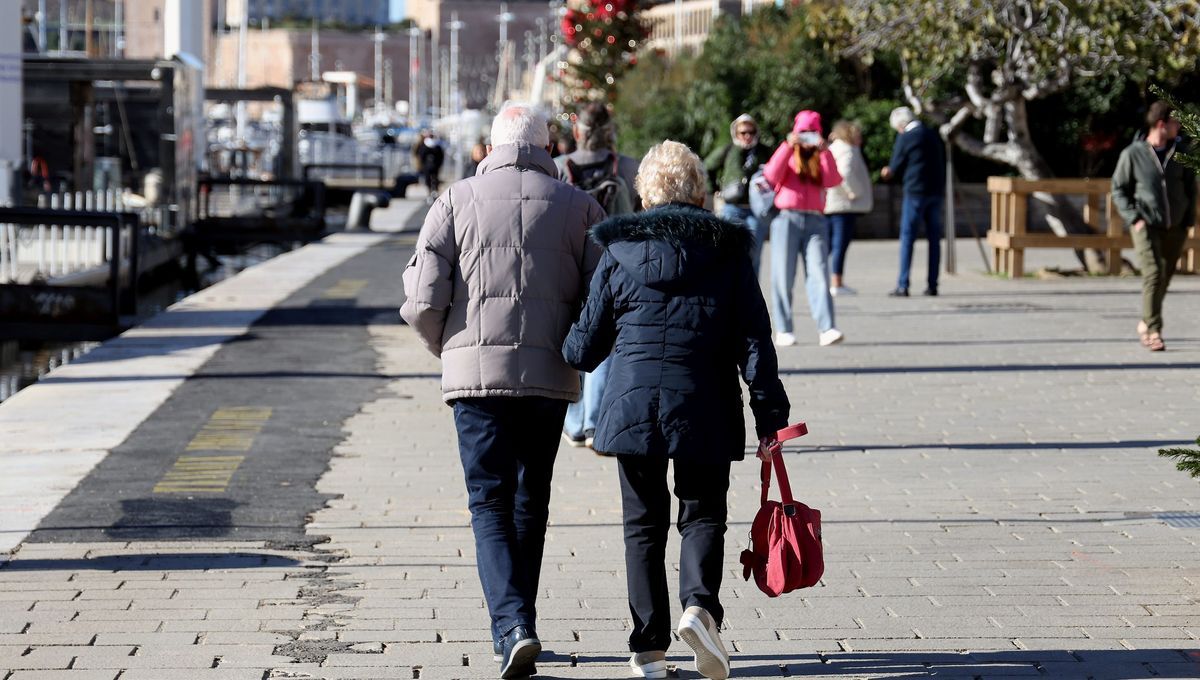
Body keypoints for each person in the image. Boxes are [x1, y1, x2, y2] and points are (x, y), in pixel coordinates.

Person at [562, 140, 790, 680]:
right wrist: (770, 418)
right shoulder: (729, 254)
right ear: (701, 194)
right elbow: (755, 341)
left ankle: (647, 648)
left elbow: (583, 350)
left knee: (642, 524)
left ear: (645, 195)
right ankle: (699, 609)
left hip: (631, 404)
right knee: (703, 513)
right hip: (705, 402)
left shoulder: (618, 253)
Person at [400, 103, 605, 679]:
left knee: (487, 500)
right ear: (547, 145)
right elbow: (603, 294)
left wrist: (448, 347)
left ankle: (512, 626)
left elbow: (420, 298)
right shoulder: (579, 206)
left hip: (475, 378)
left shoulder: (454, 200)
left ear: (490, 146)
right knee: (529, 499)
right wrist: (578, 353)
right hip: (548, 376)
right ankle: (521, 622)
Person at [555, 102, 641, 449]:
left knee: (572, 339)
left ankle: (574, 422)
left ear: (578, 132)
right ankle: (594, 422)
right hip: (617, 264)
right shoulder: (629, 167)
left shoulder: (559, 168)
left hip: (570, 264)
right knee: (606, 343)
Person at [1111, 100, 1196, 352]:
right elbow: (1118, 189)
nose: (1179, 127)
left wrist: (1188, 220)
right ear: (1162, 124)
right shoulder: (1133, 154)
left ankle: (1146, 319)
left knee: (1165, 277)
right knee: (1153, 274)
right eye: (1175, 123)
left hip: (1176, 226)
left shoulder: (1181, 154)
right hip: (1145, 225)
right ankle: (1154, 330)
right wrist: (1134, 218)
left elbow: (1191, 190)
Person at [762, 109, 844, 347]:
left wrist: (825, 151)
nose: (807, 138)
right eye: (803, 132)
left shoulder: (822, 155)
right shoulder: (788, 152)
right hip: (786, 218)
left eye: (812, 133)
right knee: (782, 276)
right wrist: (787, 146)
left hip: (816, 220)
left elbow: (832, 181)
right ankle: (785, 329)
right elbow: (770, 174)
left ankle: (827, 328)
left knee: (819, 273)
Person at [880, 106, 946, 297]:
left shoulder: (906, 137)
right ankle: (932, 284)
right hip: (935, 191)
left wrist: (887, 171)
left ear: (901, 125)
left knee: (908, 236)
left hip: (916, 192)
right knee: (934, 238)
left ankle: (903, 284)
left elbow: (895, 166)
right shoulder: (932, 134)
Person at [705, 114, 773, 272]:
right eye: (743, 132)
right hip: (731, 207)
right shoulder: (729, 149)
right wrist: (714, 188)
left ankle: (751, 293)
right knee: (728, 252)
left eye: (751, 132)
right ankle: (730, 293)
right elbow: (707, 166)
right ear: (736, 133)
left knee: (753, 254)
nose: (747, 136)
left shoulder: (763, 150)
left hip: (755, 209)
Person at [824, 120, 874, 297]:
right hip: (844, 205)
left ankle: (825, 280)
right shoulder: (848, 150)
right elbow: (844, 174)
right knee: (840, 246)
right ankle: (836, 283)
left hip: (830, 203)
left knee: (829, 245)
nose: (860, 139)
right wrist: (855, 191)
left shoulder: (832, 149)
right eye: (858, 135)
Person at [413, 131, 446, 200]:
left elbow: (440, 157)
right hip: (428, 166)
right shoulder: (425, 145)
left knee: (435, 178)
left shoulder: (437, 146)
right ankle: (431, 190)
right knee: (429, 179)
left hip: (433, 165)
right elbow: (421, 155)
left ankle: (434, 190)